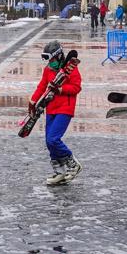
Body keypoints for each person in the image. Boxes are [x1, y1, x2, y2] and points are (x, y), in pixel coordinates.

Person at [29, 41, 83, 185]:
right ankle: (59, 171)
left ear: (58, 56)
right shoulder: (48, 70)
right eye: (47, 59)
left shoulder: (70, 69)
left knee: (53, 139)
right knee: (49, 142)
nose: (49, 62)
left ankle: (73, 163)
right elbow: (42, 86)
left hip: (65, 108)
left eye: (51, 59)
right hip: (51, 108)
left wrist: (60, 89)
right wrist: (33, 100)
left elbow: (76, 87)